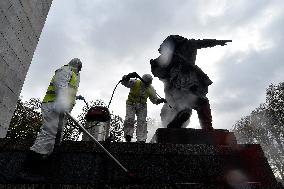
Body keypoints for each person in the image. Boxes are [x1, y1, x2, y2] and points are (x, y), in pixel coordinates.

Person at [150, 35, 230, 130]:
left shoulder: (172, 54)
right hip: (191, 78)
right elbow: (204, 42)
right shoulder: (188, 45)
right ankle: (205, 125)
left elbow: (159, 70)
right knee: (200, 101)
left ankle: (184, 114)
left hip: (180, 80)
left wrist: (154, 65)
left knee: (188, 101)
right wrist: (218, 42)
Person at [26, 58, 83, 170]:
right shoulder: (65, 70)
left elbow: (66, 89)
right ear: (77, 66)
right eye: (79, 68)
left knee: (56, 137)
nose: (80, 70)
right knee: (48, 135)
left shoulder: (73, 75)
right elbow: (60, 87)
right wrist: (62, 103)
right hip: (53, 107)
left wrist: (74, 97)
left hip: (60, 109)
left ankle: (41, 166)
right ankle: (29, 168)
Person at [121, 72, 166, 143]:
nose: (146, 84)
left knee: (142, 121)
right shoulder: (135, 82)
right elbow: (125, 83)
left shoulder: (150, 89)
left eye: (148, 83)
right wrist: (127, 77)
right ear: (142, 80)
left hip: (142, 106)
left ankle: (141, 139)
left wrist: (160, 100)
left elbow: (154, 100)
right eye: (145, 82)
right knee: (130, 119)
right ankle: (128, 135)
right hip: (131, 104)